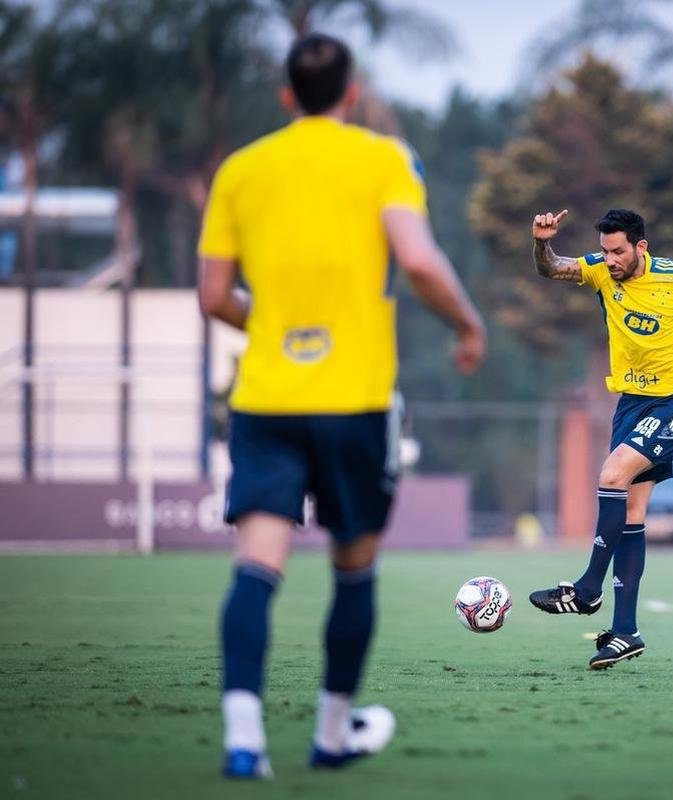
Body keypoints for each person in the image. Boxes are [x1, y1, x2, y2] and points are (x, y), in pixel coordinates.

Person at [197, 33, 486, 779]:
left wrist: (267, 329)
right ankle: (330, 736)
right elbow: (418, 260)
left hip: (265, 399)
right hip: (354, 401)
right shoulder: (383, 159)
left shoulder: (241, 170)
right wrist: (465, 322)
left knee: (256, 567)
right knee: (353, 571)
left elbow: (211, 295)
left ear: (287, 94)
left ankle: (242, 740)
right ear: (350, 93)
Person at [525, 208, 673, 669]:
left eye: (618, 251)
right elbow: (552, 268)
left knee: (612, 475)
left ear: (641, 247)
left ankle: (587, 589)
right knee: (632, 512)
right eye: (604, 251)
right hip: (630, 404)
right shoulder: (600, 272)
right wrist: (542, 241)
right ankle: (626, 632)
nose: (609, 260)